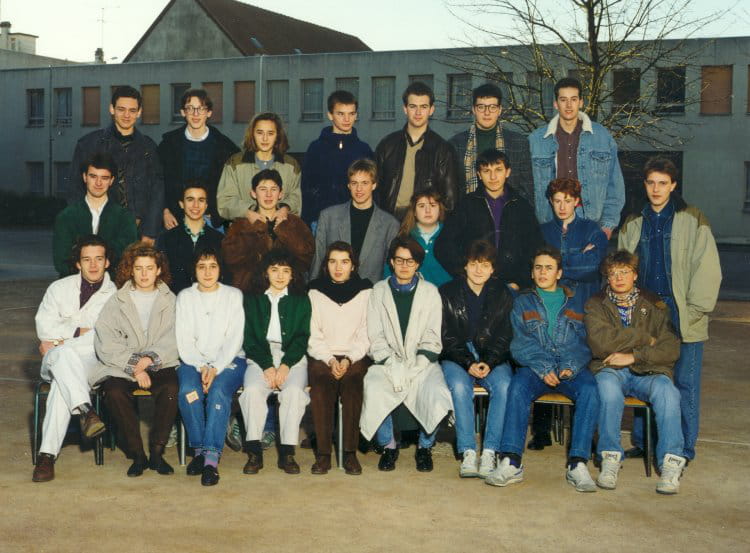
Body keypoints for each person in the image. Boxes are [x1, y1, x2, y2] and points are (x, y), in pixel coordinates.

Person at [618, 157, 721, 463]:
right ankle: (643, 441)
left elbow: (708, 267)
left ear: (673, 185)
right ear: (644, 185)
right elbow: (622, 266)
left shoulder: (692, 218)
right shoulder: (634, 221)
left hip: (681, 310)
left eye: (663, 183)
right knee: (645, 374)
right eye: (651, 182)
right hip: (645, 312)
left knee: (685, 384)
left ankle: (684, 449)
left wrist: (695, 310)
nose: (656, 189)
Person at [486, 247, 600, 492]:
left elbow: (584, 342)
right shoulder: (522, 302)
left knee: (590, 389)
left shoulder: (576, 302)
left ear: (559, 273)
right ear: (532, 272)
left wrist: (569, 366)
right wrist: (543, 366)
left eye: (549, 268)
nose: (542, 272)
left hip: (569, 366)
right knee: (517, 387)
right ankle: (511, 461)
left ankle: (578, 463)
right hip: (536, 366)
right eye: (538, 267)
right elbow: (520, 342)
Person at [585, 250, 684, 494]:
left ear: (635, 275)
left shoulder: (655, 304)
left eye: (625, 272)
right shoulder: (595, 304)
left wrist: (634, 356)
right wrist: (643, 337)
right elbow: (600, 343)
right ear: (607, 277)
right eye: (613, 273)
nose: (619, 278)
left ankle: (671, 463)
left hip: (647, 371)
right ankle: (610, 457)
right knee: (607, 390)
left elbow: (670, 348)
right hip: (610, 369)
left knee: (668, 392)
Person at [360, 236, 453, 472]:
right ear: (391, 262)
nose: (404, 266)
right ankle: (388, 446)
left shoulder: (430, 292)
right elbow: (375, 335)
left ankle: (425, 447)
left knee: (435, 391)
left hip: (421, 361)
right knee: (374, 387)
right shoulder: (378, 291)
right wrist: (392, 364)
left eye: (410, 261)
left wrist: (418, 365)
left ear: (418, 264)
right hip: (387, 361)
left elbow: (433, 335)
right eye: (399, 260)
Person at [530, 177, 608, 450]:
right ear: (550, 202)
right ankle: (541, 430)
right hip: (549, 304)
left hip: (582, 306)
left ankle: (584, 435)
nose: (562, 206)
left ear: (577, 201)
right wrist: (578, 258)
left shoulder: (592, 230)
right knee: (546, 354)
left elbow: (593, 266)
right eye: (557, 201)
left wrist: (559, 265)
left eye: (567, 200)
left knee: (580, 366)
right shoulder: (542, 232)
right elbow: (537, 268)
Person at [32, 235, 117, 482]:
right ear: (78, 263)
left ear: (107, 262)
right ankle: (86, 410)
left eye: (99, 259)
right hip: (56, 361)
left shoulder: (116, 296)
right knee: (64, 356)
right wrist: (79, 331)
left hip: (90, 363)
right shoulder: (58, 288)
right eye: (87, 260)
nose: (93, 265)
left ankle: (47, 456)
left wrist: (59, 341)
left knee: (62, 381)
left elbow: (103, 337)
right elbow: (43, 326)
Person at [92, 243, 179, 477]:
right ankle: (137, 454)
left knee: (171, 387)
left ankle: (157, 451)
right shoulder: (117, 300)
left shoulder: (170, 300)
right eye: (138, 268)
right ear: (130, 270)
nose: (144, 274)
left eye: (149, 268)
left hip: (158, 362)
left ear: (158, 270)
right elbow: (106, 340)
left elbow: (175, 337)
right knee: (114, 392)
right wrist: (135, 367)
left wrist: (149, 359)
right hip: (124, 365)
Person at [439, 240, 513, 479]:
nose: (479, 270)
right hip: (457, 354)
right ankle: (468, 451)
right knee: (460, 387)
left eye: (485, 265)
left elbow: (505, 335)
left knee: (504, 385)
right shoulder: (447, 292)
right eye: (474, 264)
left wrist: (489, 361)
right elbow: (446, 336)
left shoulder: (503, 293)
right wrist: (468, 362)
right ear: (465, 266)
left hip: (492, 355)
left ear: (493, 269)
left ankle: (490, 451)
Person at [176, 247, 246, 486]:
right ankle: (199, 451)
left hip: (229, 360)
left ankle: (211, 461)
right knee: (189, 392)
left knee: (218, 392)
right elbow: (184, 340)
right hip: (192, 361)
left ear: (220, 269)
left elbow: (234, 338)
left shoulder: (233, 295)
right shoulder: (185, 296)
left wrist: (215, 367)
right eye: (201, 267)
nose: (207, 273)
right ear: (194, 270)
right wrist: (201, 366)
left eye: (213, 266)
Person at [239, 249, 311, 475]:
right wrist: (268, 366)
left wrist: (286, 365)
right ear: (266, 272)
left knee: (294, 393)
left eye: (286, 271)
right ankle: (254, 452)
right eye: (274, 270)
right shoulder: (252, 299)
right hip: (260, 356)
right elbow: (249, 338)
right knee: (251, 391)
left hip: (293, 358)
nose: (280, 276)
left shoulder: (301, 300)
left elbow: (302, 337)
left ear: (292, 275)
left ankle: (287, 453)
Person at [529, 77, 625, 240]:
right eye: (563, 100)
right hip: (550, 222)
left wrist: (608, 226)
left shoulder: (602, 137)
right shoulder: (537, 139)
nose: (568, 105)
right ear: (555, 104)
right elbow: (527, 187)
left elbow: (615, 185)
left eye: (573, 99)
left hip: (590, 222)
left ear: (581, 102)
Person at [307, 241, 373, 475]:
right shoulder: (315, 292)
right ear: (326, 265)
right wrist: (330, 360)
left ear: (353, 266)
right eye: (333, 262)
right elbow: (313, 335)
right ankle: (324, 454)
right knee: (321, 382)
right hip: (323, 354)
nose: (338, 268)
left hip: (354, 355)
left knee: (353, 382)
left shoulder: (365, 292)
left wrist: (348, 359)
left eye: (344, 262)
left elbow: (366, 333)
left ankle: (350, 453)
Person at [436, 149, 542, 290]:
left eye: (498, 170)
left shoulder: (522, 206)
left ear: (508, 172)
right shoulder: (466, 204)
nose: (493, 177)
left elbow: (535, 247)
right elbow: (443, 246)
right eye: (486, 171)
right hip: (475, 285)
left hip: (512, 286)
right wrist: (466, 274)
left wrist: (521, 281)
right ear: (479, 175)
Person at [69, 86, 163, 244]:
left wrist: (150, 232)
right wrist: (85, 230)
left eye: (132, 110)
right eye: (121, 109)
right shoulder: (89, 144)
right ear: (112, 109)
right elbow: (75, 189)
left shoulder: (149, 147)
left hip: (139, 232)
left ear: (139, 112)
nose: (127, 115)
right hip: (99, 230)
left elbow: (157, 191)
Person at [157, 88, 239, 231]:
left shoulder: (225, 147)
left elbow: (233, 187)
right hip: (175, 219)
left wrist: (218, 215)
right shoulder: (168, 144)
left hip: (212, 221)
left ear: (209, 113)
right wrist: (165, 211)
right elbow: (158, 182)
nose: (196, 114)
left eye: (201, 108)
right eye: (190, 108)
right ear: (183, 112)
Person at [375, 81, 460, 219]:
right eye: (413, 106)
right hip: (389, 220)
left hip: (424, 223)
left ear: (431, 110)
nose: (418, 112)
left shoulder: (443, 150)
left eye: (423, 107)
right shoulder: (387, 145)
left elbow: (450, 200)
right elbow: (374, 190)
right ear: (405, 109)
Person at [222, 169, 314, 292]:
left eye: (273, 189)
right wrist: (256, 228)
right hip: (251, 291)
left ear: (280, 194)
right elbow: (231, 259)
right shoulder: (240, 224)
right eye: (263, 189)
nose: (268, 195)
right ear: (253, 193)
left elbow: (307, 257)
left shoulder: (294, 222)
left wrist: (284, 230)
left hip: (288, 290)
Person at [311, 158, 399, 284]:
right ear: (348, 185)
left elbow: (391, 270)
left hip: (371, 292)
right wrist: (312, 289)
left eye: (365, 183)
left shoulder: (390, 224)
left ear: (374, 185)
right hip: (333, 291)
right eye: (354, 183)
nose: (359, 189)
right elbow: (318, 261)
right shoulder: (328, 217)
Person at [53, 153, 137, 277]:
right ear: (84, 177)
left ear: (112, 181)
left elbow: (127, 257)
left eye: (104, 178)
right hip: (74, 283)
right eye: (93, 176)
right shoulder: (66, 217)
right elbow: (61, 261)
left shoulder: (124, 218)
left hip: (113, 284)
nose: (98, 183)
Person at [301, 90, 374, 229]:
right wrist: (307, 221)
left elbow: (372, 189)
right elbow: (306, 188)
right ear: (330, 115)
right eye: (341, 114)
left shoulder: (363, 150)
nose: (347, 119)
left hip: (356, 220)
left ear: (356, 115)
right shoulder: (316, 148)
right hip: (321, 221)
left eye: (351, 114)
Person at [449, 83, 533, 201]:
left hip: (509, 210)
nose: (487, 112)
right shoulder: (455, 144)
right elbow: (451, 191)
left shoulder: (519, 143)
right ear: (474, 109)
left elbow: (527, 191)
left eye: (492, 107)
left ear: (499, 110)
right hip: (468, 211)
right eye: (481, 107)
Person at [217, 112, 301, 222]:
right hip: (243, 228)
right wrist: (247, 212)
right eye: (260, 133)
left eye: (270, 133)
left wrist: (285, 208)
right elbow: (224, 201)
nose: (265, 138)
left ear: (277, 136)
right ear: (252, 134)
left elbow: (296, 198)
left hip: (280, 228)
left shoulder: (291, 165)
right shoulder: (235, 163)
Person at [156, 181, 225, 293]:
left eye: (201, 200)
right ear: (181, 204)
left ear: (206, 205)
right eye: (190, 199)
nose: (195, 205)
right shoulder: (167, 238)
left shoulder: (219, 239)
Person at [384, 188, 452, 287]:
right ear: (414, 212)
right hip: (413, 295)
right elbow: (388, 277)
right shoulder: (402, 239)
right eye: (422, 206)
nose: (428, 210)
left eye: (433, 205)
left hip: (447, 294)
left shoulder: (451, 236)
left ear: (440, 210)